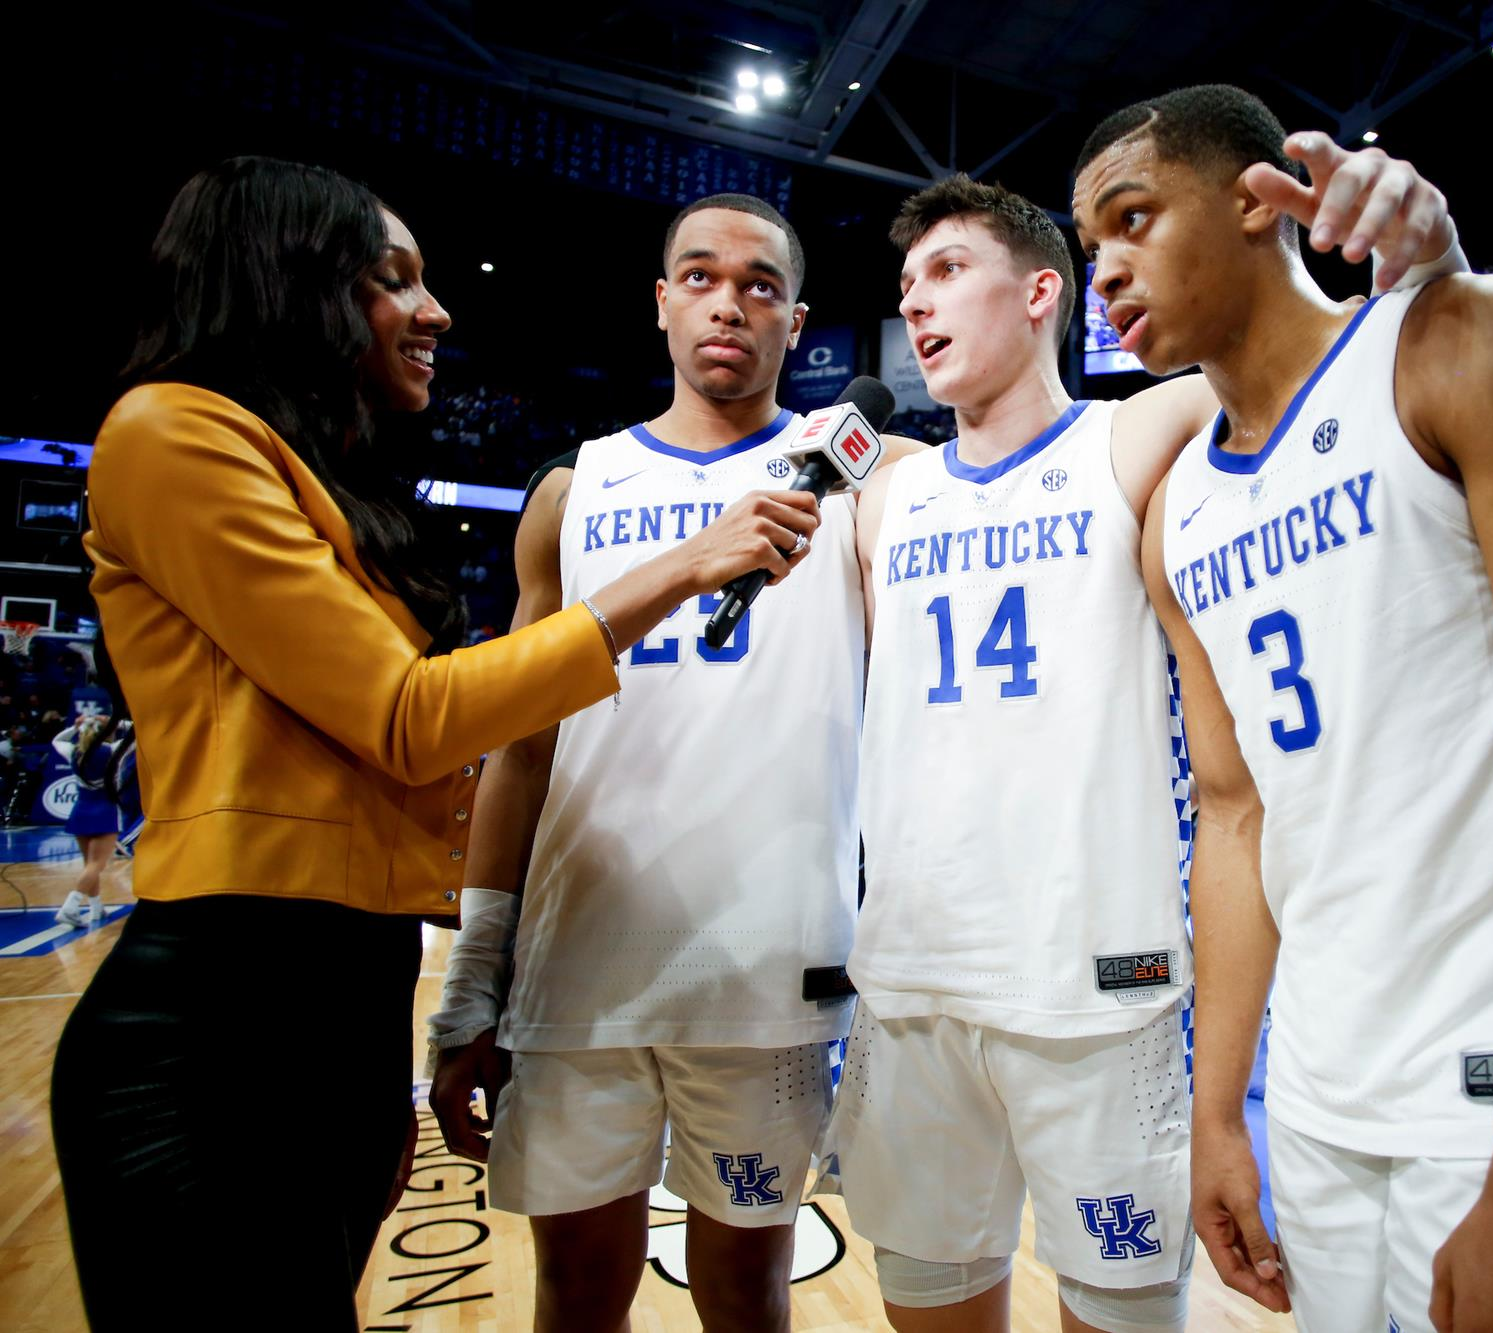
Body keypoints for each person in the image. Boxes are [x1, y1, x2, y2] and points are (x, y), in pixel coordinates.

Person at [49, 157, 814, 1328]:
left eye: (758, 286)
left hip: (352, 987)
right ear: (293, 283)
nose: (436, 310)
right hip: (229, 1000)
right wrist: (685, 563)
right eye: (393, 280)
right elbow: (422, 721)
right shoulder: (172, 433)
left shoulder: (325, 477)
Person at [1084, 84, 1493, 1332]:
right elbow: (1236, 820)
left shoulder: (1467, 342)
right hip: (1319, 1081)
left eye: (1132, 220)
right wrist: (1216, 1114)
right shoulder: (1176, 514)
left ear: (1258, 201)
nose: (1105, 269)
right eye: (1090, 243)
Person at [836, 144, 1466, 1332]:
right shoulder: (880, 496)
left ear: (1039, 292)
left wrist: (1422, 255)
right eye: (906, 281)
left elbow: (1309, 351)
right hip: (911, 983)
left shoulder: (1135, 435)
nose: (914, 299)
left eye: (948, 267)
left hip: (1099, 990)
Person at [426, 193, 920, 1333]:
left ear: (797, 321)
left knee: (747, 1295)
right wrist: (472, 976)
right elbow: (520, 747)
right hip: (578, 964)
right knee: (577, 1292)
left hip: (767, 971)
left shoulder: (864, 477)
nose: (728, 304)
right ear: (660, 305)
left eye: (759, 285)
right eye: (700, 278)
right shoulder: (572, 488)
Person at [53, 712, 125, 927]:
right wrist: (116, 722)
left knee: (89, 865)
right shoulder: (113, 751)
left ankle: (96, 908)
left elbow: (56, 740)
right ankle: (70, 908)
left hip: (80, 811)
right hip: (105, 811)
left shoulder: (73, 751)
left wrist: (76, 726)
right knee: (96, 865)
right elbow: (138, 731)